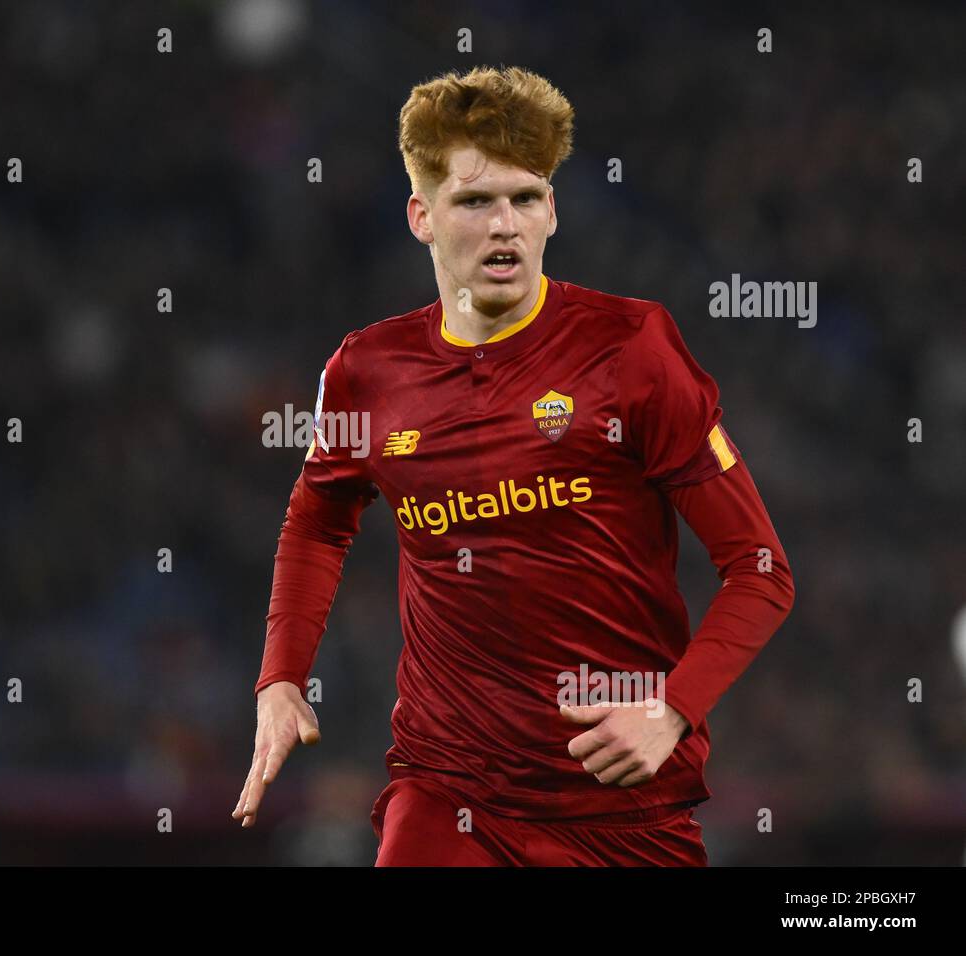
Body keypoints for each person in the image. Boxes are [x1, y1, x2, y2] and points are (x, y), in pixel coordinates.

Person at [234, 65, 795, 866]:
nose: (505, 225)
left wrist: (671, 709)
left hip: (624, 811)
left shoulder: (631, 350)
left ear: (553, 211)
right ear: (421, 216)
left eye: (526, 199)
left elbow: (762, 569)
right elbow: (318, 519)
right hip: (447, 790)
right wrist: (281, 679)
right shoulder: (368, 370)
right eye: (474, 201)